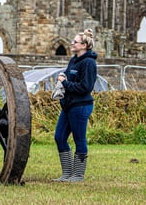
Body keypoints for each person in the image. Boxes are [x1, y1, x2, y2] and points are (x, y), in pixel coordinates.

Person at [53, 28, 97, 182]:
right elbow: (68, 76)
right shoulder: (74, 60)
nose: (72, 44)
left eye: (75, 42)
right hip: (68, 105)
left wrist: (65, 83)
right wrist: (61, 78)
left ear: (84, 45)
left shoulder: (89, 63)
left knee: (79, 139)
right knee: (59, 137)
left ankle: (78, 174)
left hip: (80, 106)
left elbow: (86, 87)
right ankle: (67, 173)